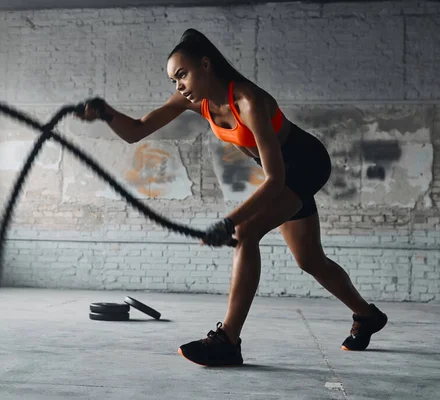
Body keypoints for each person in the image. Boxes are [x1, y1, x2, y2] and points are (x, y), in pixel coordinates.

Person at [74, 28, 388, 367]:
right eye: (173, 80)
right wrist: (106, 114)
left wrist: (229, 222)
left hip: (306, 163)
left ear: (206, 65)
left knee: (246, 232)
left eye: (182, 74)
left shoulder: (249, 102)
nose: (178, 85)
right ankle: (367, 315)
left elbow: (274, 179)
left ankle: (228, 340)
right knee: (310, 260)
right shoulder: (193, 100)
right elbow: (136, 131)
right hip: (284, 173)